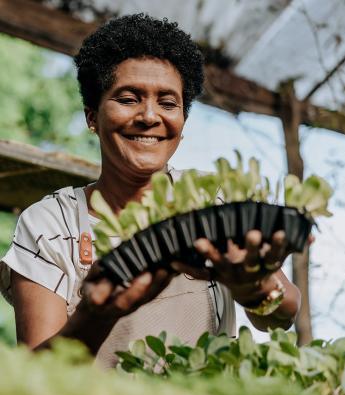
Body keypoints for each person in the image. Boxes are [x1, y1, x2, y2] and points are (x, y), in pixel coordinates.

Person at [0, 14, 301, 369]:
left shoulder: (213, 199)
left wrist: (255, 287)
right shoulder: (51, 223)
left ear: (183, 123)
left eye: (168, 103)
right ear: (92, 116)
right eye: (128, 99)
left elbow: (282, 315)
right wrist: (97, 314)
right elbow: (36, 379)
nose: (149, 116)